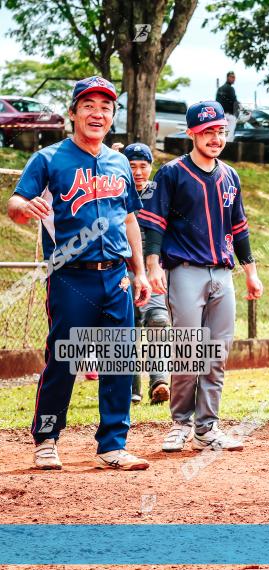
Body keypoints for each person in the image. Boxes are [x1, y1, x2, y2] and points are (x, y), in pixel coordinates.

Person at [7, 75, 151, 471]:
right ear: (72, 113)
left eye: (105, 107)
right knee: (65, 358)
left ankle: (113, 444)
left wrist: (138, 272)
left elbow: (130, 219)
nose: (97, 113)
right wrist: (24, 208)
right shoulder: (50, 159)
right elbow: (16, 203)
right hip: (71, 275)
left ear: (112, 117)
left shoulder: (119, 162)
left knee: (120, 360)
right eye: (88, 105)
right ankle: (47, 438)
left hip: (116, 276)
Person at [138, 100, 263, 452]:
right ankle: (180, 423)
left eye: (220, 131)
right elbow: (154, 224)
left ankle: (207, 427)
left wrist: (251, 273)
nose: (215, 138)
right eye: (208, 132)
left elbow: (239, 228)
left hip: (223, 273)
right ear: (192, 133)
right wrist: (152, 266)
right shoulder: (172, 173)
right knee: (188, 351)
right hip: (185, 271)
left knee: (216, 354)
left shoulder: (230, 176)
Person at [119, 142, 170, 405]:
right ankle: (131, 388)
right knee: (125, 327)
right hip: (121, 271)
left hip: (154, 270)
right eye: (132, 166)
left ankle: (159, 382)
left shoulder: (159, 194)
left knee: (158, 321)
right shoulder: (116, 191)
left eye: (143, 165)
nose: (138, 171)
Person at [215, 71, 240, 142]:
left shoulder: (220, 89)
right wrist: (237, 115)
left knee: (222, 135)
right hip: (229, 116)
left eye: (234, 77)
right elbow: (235, 102)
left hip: (221, 116)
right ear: (228, 77)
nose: (233, 79)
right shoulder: (231, 89)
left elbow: (216, 103)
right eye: (232, 77)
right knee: (229, 137)